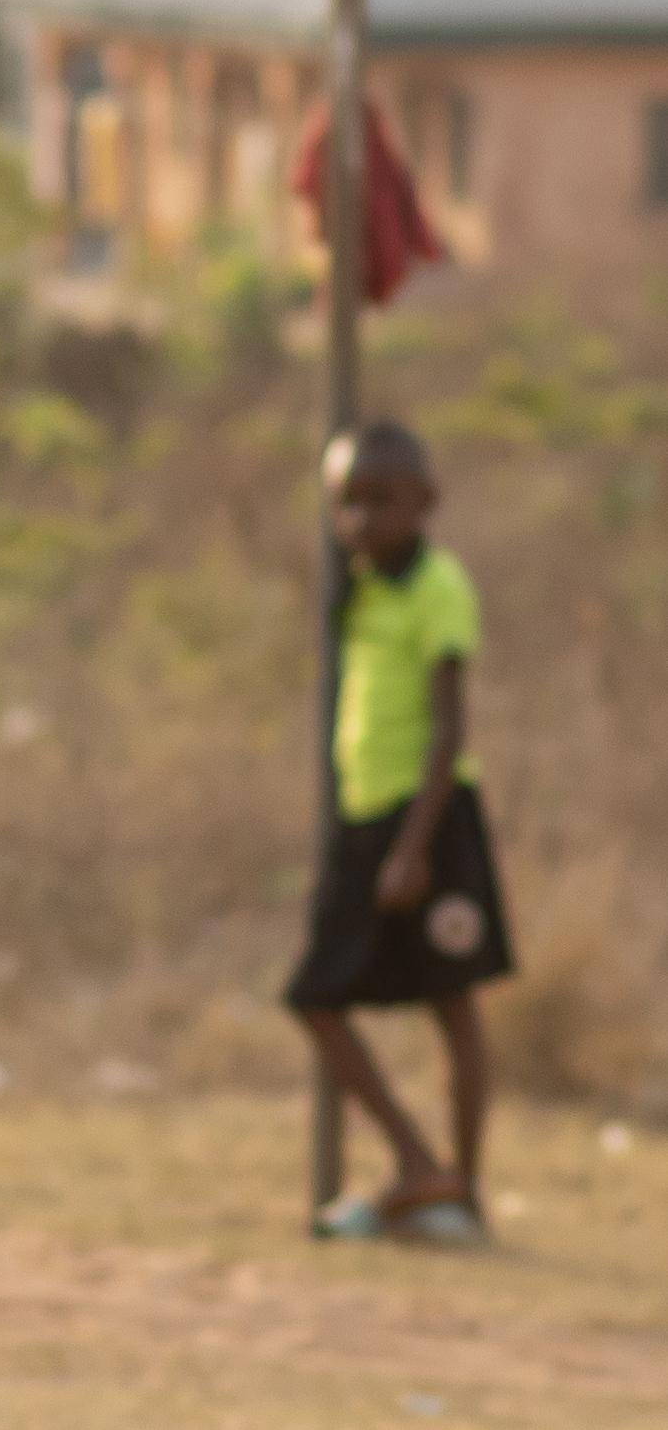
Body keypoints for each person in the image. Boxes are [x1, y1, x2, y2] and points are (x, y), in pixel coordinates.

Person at [285, 417, 509, 1241]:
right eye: (346, 503)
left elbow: (450, 728)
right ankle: (420, 1167)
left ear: (425, 502)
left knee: (453, 1004)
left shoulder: (438, 587)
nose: (360, 520)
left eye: (380, 502)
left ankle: (463, 1191)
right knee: (318, 997)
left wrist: (415, 847)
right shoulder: (359, 587)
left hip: (429, 819)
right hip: (363, 816)